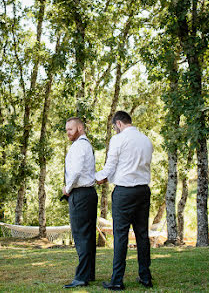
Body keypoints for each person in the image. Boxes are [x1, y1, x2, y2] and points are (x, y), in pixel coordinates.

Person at [96, 111, 154, 291]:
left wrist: (98, 177)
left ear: (119, 123)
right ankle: (145, 277)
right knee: (142, 235)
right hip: (143, 191)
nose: (115, 130)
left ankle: (117, 280)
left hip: (124, 192)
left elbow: (111, 165)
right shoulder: (146, 140)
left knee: (121, 235)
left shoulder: (118, 139)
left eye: (115, 127)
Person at [61, 117, 97, 288]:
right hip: (89, 193)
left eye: (70, 129)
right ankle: (89, 273)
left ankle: (81, 277)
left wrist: (67, 189)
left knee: (81, 236)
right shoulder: (86, 145)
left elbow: (75, 172)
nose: (68, 132)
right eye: (66, 129)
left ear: (80, 128)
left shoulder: (79, 146)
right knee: (88, 236)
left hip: (80, 194)